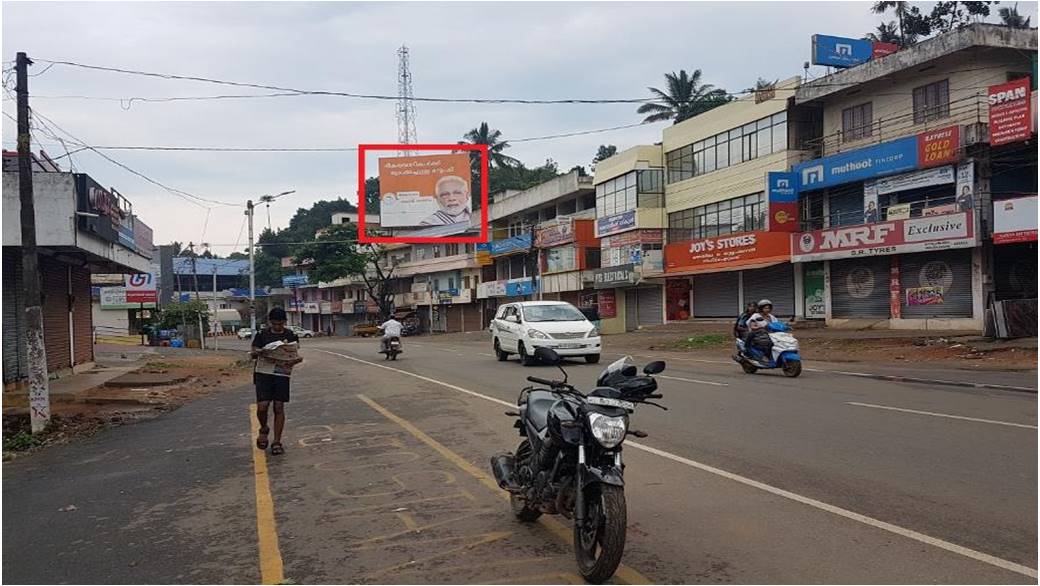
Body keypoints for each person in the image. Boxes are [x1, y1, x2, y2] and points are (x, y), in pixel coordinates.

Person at [250, 308, 302, 456]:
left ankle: (277, 441)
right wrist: (259, 352)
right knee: (262, 406)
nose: (277, 327)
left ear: (284, 322)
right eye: (274, 324)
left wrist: (295, 360)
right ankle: (264, 428)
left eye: (280, 324)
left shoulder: (290, 335)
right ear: (270, 322)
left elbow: (295, 353)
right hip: (264, 373)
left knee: (279, 406)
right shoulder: (262, 335)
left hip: (281, 374)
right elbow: (253, 351)